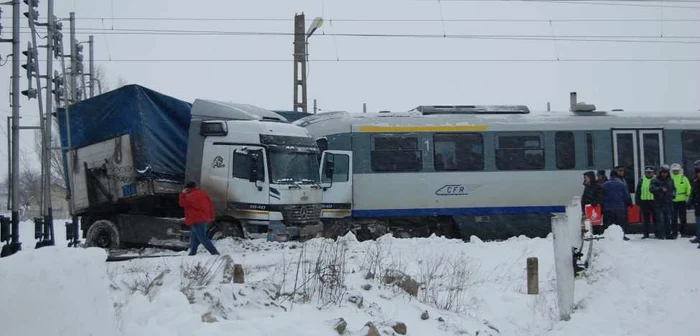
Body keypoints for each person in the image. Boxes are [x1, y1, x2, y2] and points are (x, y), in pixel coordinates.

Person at [179, 181, 220, 256]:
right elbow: (210, 204)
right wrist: (211, 215)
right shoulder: (202, 193)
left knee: (203, 238)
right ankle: (192, 253)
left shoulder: (190, 196)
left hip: (197, 219)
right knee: (194, 237)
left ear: (188, 188)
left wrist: (182, 194)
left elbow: (182, 203)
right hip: (202, 218)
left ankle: (215, 253)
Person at [603, 167, 632, 240]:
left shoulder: (605, 184)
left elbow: (602, 195)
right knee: (620, 224)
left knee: (609, 224)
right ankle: (621, 236)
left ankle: (609, 238)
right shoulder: (622, 184)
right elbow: (626, 196)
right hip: (620, 207)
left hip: (608, 208)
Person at [650, 164, 676, 240]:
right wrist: (660, 189)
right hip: (659, 203)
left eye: (666, 172)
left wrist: (673, 194)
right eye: (663, 172)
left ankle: (668, 233)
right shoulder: (655, 180)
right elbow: (651, 189)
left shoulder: (671, 180)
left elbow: (674, 188)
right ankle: (659, 234)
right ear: (660, 172)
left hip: (668, 202)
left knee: (668, 219)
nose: (664, 174)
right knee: (660, 219)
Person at [670, 163, 692, 237]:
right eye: (674, 170)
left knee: (683, 218)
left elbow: (688, 189)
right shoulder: (669, 178)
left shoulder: (684, 178)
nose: (675, 171)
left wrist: (688, 199)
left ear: (679, 170)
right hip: (672, 201)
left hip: (682, 201)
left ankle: (684, 233)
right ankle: (674, 233)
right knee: (673, 218)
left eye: (676, 170)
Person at [635, 166, 656, 239]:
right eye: (647, 172)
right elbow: (638, 191)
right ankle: (646, 234)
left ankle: (657, 233)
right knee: (646, 219)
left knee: (656, 219)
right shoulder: (642, 179)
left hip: (654, 201)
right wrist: (637, 200)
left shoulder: (656, 179)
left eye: (650, 172)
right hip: (644, 202)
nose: (649, 173)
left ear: (653, 172)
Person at [688, 165, 700, 245]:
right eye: (698, 173)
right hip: (698, 205)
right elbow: (692, 194)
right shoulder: (695, 182)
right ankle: (698, 237)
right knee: (698, 222)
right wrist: (689, 202)